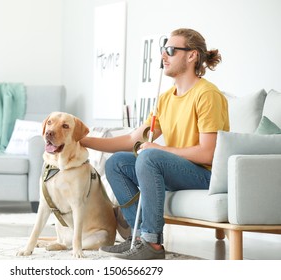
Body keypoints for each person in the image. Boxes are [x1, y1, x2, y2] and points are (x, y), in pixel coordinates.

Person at [81, 28, 229, 260]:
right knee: (117, 163)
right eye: (163, 50)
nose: (163, 56)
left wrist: (159, 150)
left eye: (170, 50)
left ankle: (152, 242)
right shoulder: (166, 98)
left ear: (191, 56)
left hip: (205, 175)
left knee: (149, 156)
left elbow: (208, 154)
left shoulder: (207, 95)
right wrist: (83, 140)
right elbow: (133, 139)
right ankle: (138, 237)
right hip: (177, 170)